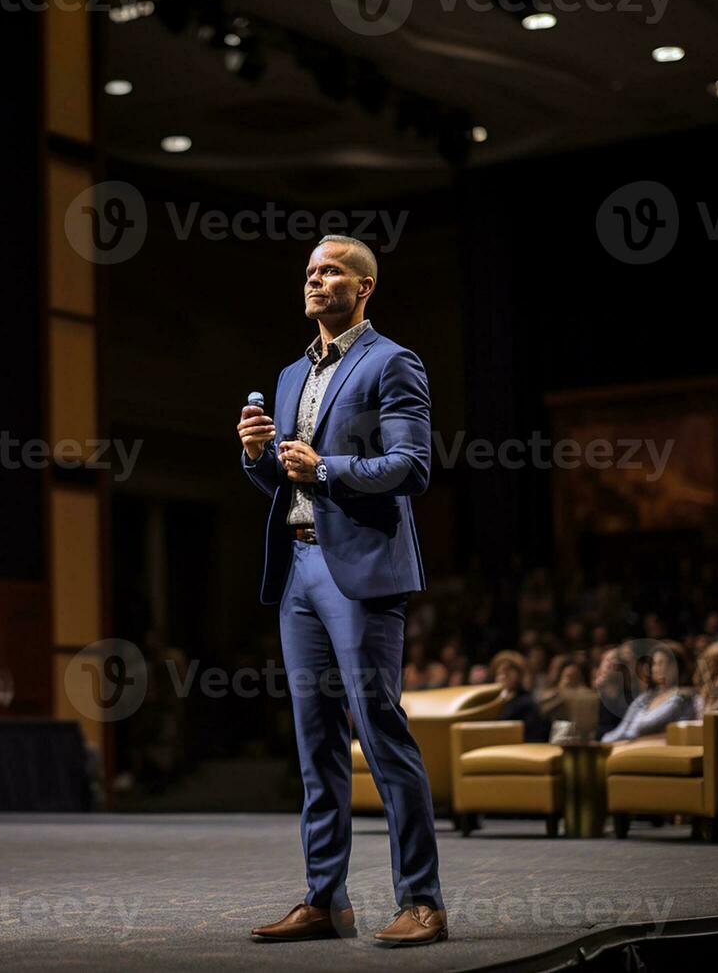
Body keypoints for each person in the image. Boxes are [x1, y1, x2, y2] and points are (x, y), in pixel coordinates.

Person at [238, 236, 446, 948]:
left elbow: (412, 467)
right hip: (299, 566)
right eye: (309, 272)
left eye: (329, 271)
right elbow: (286, 483)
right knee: (315, 743)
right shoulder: (292, 373)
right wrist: (259, 457)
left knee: (378, 732)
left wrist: (326, 470)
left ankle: (423, 901)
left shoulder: (392, 362)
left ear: (363, 288)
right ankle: (326, 899)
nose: (315, 279)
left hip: (359, 571)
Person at [601, 641, 696, 743]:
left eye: (661, 663)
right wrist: (603, 742)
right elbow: (622, 730)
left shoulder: (684, 697)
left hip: (654, 749)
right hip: (628, 746)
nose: (656, 669)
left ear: (676, 667)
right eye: (654, 664)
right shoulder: (646, 696)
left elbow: (680, 733)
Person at [490, 649, 549, 742]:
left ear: (520, 675)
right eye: (500, 673)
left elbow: (534, 736)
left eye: (509, 672)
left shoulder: (527, 703)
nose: (504, 676)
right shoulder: (490, 701)